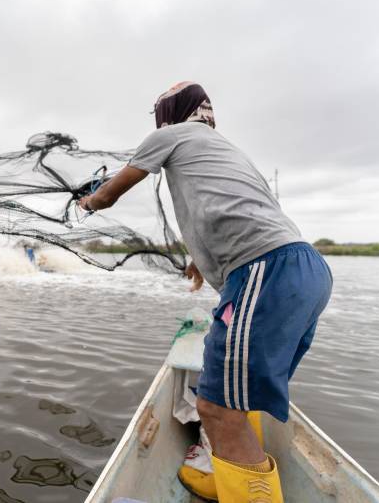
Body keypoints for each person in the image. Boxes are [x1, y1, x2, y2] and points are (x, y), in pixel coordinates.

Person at [78, 82, 332, 502]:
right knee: (239, 394)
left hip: (264, 270)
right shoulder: (223, 149)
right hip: (303, 268)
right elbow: (225, 208)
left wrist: (87, 202)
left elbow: (108, 194)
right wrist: (200, 261)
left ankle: (245, 487)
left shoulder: (169, 135)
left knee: (216, 408)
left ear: (169, 113)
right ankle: (224, 474)